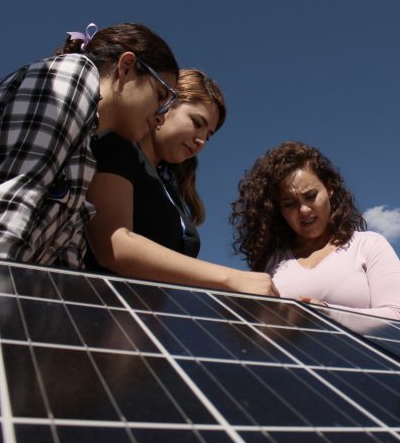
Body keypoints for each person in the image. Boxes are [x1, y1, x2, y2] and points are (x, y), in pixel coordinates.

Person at [0, 22, 179, 268]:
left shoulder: (84, 159)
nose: (161, 117)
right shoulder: (73, 75)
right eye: (161, 96)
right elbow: (10, 207)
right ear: (127, 67)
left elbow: (63, 261)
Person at [85, 69, 278, 297]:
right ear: (166, 104)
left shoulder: (171, 193)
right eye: (197, 123)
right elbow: (113, 244)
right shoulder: (117, 147)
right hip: (101, 308)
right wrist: (231, 278)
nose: (201, 141)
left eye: (208, 135)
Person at [231, 141, 400, 321]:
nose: (304, 210)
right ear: (279, 210)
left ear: (329, 189)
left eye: (310, 196)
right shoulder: (272, 263)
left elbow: (399, 317)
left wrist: (325, 313)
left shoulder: (368, 245)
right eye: (290, 204)